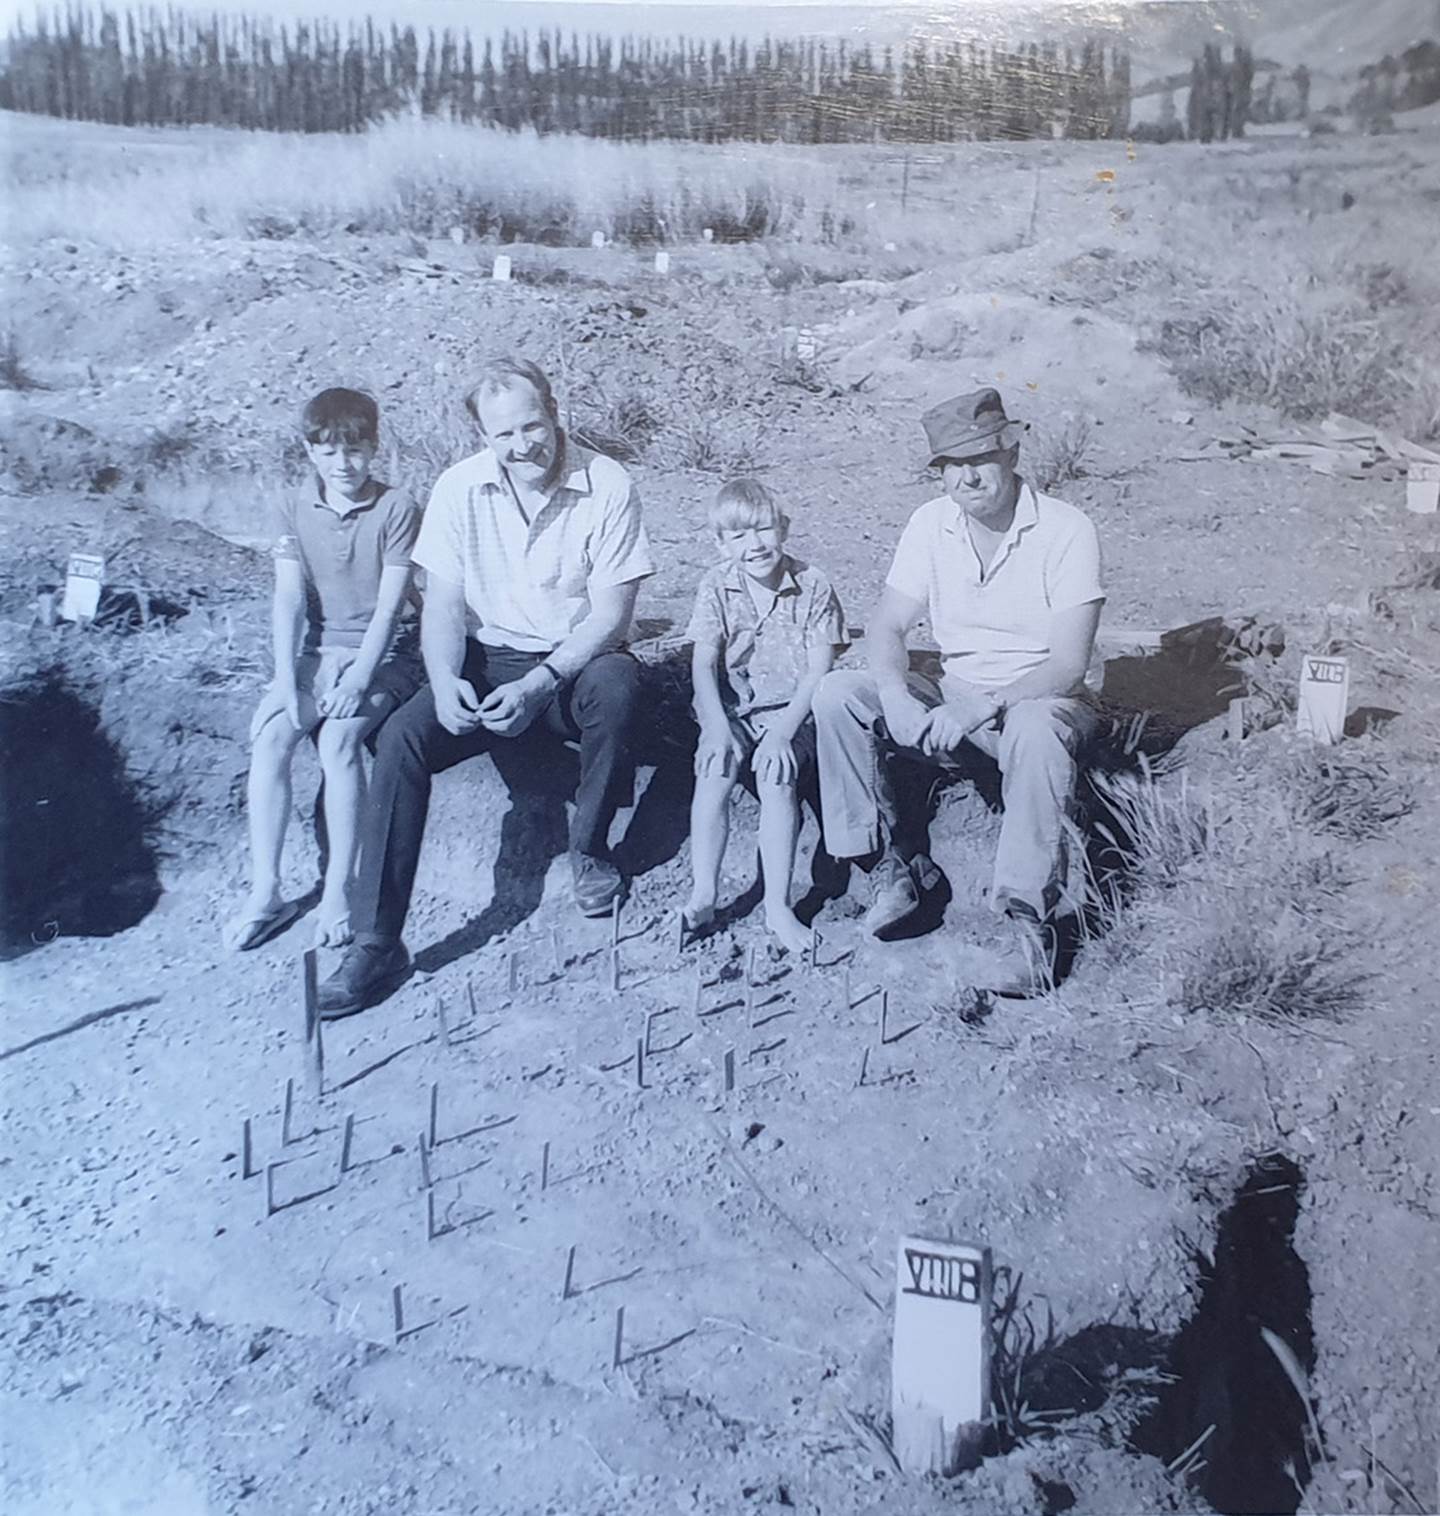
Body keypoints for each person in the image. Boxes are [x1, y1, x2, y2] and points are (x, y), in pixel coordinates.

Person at [316, 356, 655, 1017]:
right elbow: (442, 604)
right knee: (403, 737)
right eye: (504, 435)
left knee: (617, 690)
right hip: (484, 658)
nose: (523, 445)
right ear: (482, 436)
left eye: (533, 426)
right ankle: (377, 942)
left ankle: (589, 851)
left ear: (556, 414)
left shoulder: (608, 484)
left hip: (571, 663)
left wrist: (539, 683)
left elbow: (611, 615)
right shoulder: (458, 488)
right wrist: (443, 681)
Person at [811, 388, 1105, 993]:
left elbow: (1070, 664)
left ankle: (1031, 928)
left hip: (1040, 700)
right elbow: (888, 624)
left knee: (1033, 728)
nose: (966, 478)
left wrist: (982, 704)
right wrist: (893, 691)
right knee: (840, 693)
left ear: (1012, 451)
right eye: (950, 465)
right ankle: (886, 868)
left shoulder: (1066, 530)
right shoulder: (929, 523)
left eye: (979, 459)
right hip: (956, 691)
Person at [225, 387, 421, 952]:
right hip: (321, 651)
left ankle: (340, 888)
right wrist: (287, 680)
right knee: (269, 737)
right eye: (329, 451)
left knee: (338, 741)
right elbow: (288, 598)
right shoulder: (291, 505)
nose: (344, 464)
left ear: (375, 448)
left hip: (385, 655)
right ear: (310, 451)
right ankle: (267, 889)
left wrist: (360, 678)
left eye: (356, 450)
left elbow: (390, 606)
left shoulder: (397, 507)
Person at [684, 479, 846, 953]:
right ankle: (704, 893)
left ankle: (778, 905)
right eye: (738, 536)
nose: (754, 545)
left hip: (794, 713)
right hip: (736, 710)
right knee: (714, 767)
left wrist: (781, 735)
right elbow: (702, 662)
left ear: (784, 528)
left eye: (764, 530)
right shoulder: (715, 585)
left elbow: (819, 670)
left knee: (777, 777)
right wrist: (716, 726)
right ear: (720, 543)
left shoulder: (813, 584)